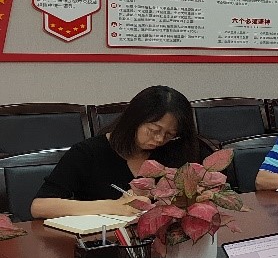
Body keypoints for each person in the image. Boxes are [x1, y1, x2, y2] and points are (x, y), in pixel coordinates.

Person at [30, 86, 199, 219]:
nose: (160, 139)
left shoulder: (174, 150)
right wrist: (113, 206)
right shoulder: (89, 153)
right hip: (101, 240)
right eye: (154, 130)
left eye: (170, 134)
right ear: (135, 120)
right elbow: (40, 206)